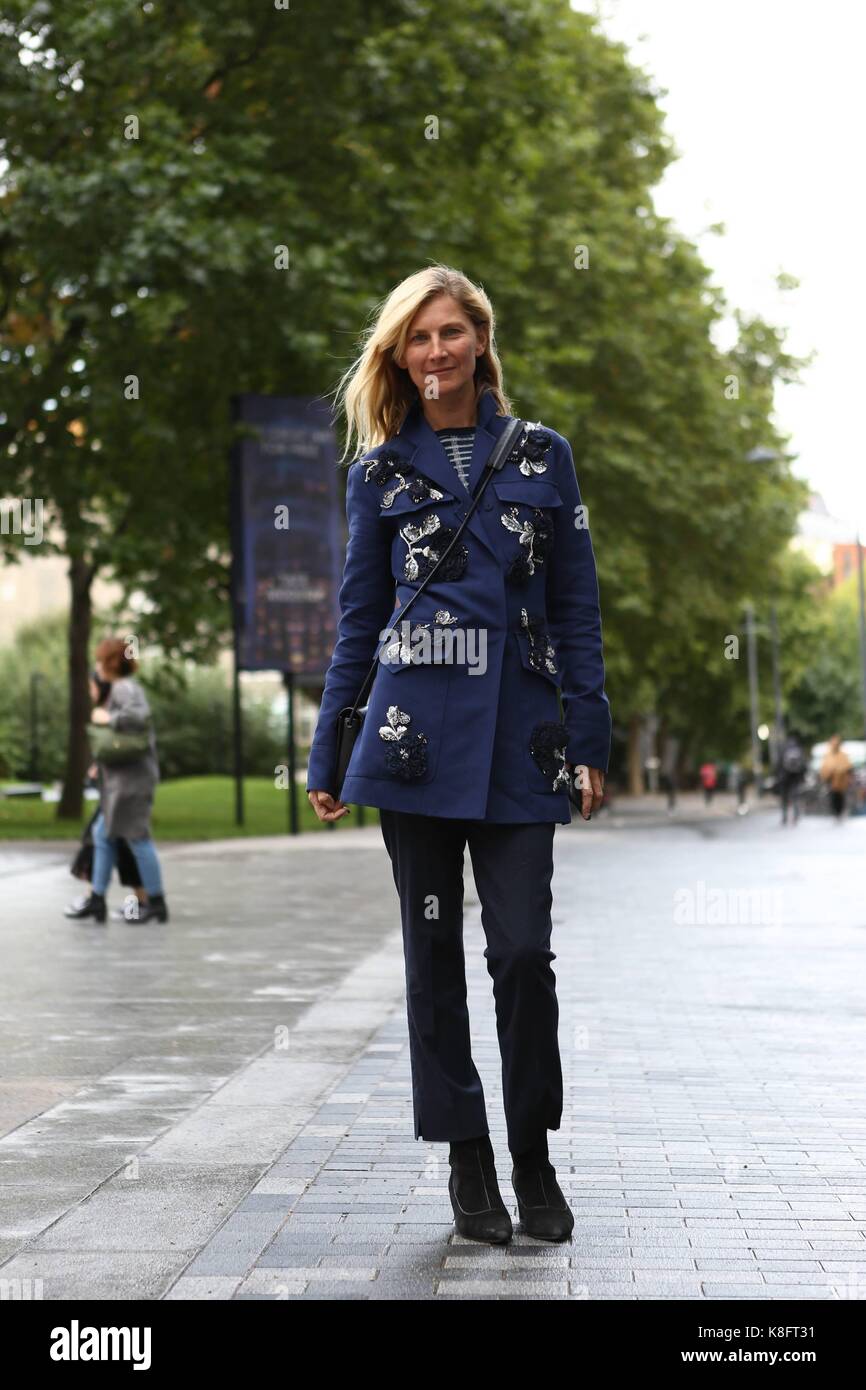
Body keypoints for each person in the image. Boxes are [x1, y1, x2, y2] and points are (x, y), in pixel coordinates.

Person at [306, 265, 611, 1244]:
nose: (434, 351)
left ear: (479, 339)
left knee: (521, 952)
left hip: (522, 742)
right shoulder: (380, 474)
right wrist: (327, 749)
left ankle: (531, 1150)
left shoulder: (542, 458)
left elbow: (574, 608)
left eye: (449, 332)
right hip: (410, 745)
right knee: (431, 955)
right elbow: (358, 620)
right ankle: (466, 1152)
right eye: (415, 338)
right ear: (399, 355)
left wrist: (590, 735)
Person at [64, 637, 169, 923]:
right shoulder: (123, 689)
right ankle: (96, 899)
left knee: (138, 838)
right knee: (102, 834)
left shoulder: (124, 688)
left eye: (100, 660)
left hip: (131, 782)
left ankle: (156, 902)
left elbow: (139, 716)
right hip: (122, 781)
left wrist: (105, 719)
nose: (97, 667)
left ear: (110, 663)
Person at [775, 730, 807, 826]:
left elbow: (778, 764)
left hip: (784, 778)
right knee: (795, 797)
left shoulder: (783, 749)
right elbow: (804, 766)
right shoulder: (799, 749)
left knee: (784, 798)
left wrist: (777, 776)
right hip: (795, 778)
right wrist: (802, 777)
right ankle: (796, 816)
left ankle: (784, 817)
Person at [820, 733, 853, 822]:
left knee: (840, 797)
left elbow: (848, 767)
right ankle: (836, 812)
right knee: (833, 797)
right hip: (831, 780)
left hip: (842, 781)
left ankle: (840, 812)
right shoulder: (828, 755)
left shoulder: (843, 755)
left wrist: (845, 775)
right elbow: (825, 767)